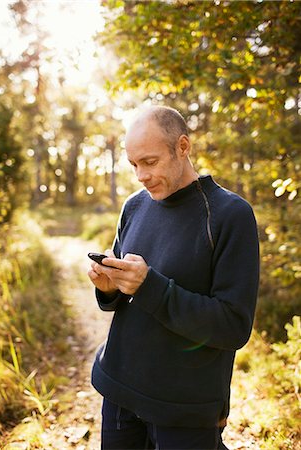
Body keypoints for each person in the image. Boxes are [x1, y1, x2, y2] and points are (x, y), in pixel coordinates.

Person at [88, 105, 260, 450]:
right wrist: (109, 289)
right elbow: (123, 295)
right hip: (119, 392)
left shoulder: (230, 215)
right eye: (134, 164)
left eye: (150, 162)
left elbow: (233, 326)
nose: (140, 175)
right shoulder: (135, 205)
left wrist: (149, 285)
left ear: (183, 147)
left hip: (185, 411)